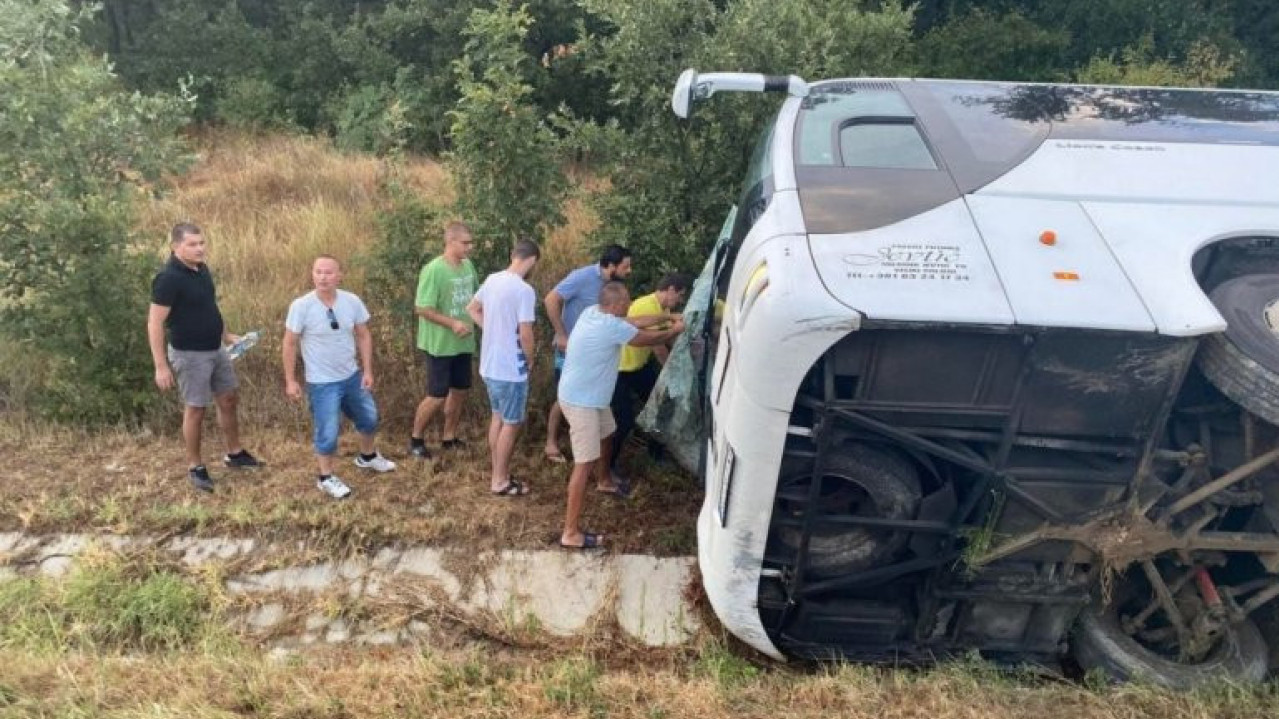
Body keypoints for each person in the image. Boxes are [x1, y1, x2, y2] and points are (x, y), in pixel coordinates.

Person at [558, 281, 684, 549]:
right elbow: (644, 339)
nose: (629, 303)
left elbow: (635, 321)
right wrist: (674, 330)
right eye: (625, 300)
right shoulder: (609, 327)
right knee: (584, 464)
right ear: (614, 305)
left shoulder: (593, 312)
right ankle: (570, 533)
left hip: (591, 397)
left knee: (609, 432)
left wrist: (667, 315)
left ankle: (604, 481)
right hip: (582, 403)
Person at [147, 222, 261, 493]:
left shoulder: (201, 269)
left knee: (228, 399)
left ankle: (234, 454)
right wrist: (161, 366)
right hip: (189, 354)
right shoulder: (168, 278)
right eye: (192, 244)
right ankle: (195, 467)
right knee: (196, 409)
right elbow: (154, 323)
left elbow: (209, 307)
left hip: (216, 349)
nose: (200, 249)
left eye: (202, 243)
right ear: (176, 247)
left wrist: (228, 336)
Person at [283, 255, 396, 500]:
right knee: (328, 431)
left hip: (351, 375)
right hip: (322, 383)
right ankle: (325, 477)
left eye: (328, 272)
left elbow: (363, 335)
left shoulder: (351, 301)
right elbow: (290, 343)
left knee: (369, 418)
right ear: (312, 275)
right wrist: (290, 380)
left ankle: (367, 457)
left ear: (339, 275)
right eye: (318, 272)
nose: (323, 277)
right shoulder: (301, 306)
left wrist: (367, 370)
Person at [543, 245, 633, 463]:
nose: (629, 271)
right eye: (625, 266)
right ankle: (551, 443)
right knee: (563, 396)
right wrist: (561, 334)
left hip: (593, 353)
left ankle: (590, 444)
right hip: (571, 349)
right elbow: (551, 299)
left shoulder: (614, 286)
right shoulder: (582, 277)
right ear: (610, 266)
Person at [467, 238, 541, 496]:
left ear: (513, 255)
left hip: (489, 366)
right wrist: (530, 359)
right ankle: (499, 481)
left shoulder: (492, 279)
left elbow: (472, 309)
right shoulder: (523, 290)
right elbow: (525, 332)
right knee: (511, 423)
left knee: (498, 417)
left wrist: (492, 330)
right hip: (511, 369)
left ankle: (499, 471)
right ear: (531, 260)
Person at [610, 272, 690, 482]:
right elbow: (657, 345)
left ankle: (655, 453)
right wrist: (671, 374)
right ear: (670, 289)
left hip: (638, 367)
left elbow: (670, 338)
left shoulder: (664, 309)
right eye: (680, 296)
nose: (680, 301)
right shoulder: (647, 305)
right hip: (619, 370)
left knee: (662, 405)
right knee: (623, 419)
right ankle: (608, 467)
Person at [409, 221, 478, 459]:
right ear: (450, 242)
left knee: (459, 390)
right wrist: (453, 323)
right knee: (437, 394)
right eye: (465, 243)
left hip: (464, 342)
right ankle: (416, 439)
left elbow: (476, 300)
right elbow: (422, 308)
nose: (469, 247)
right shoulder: (434, 270)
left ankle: (449, 438)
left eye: (471, 242)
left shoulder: (469, 266)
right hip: (440, 344)